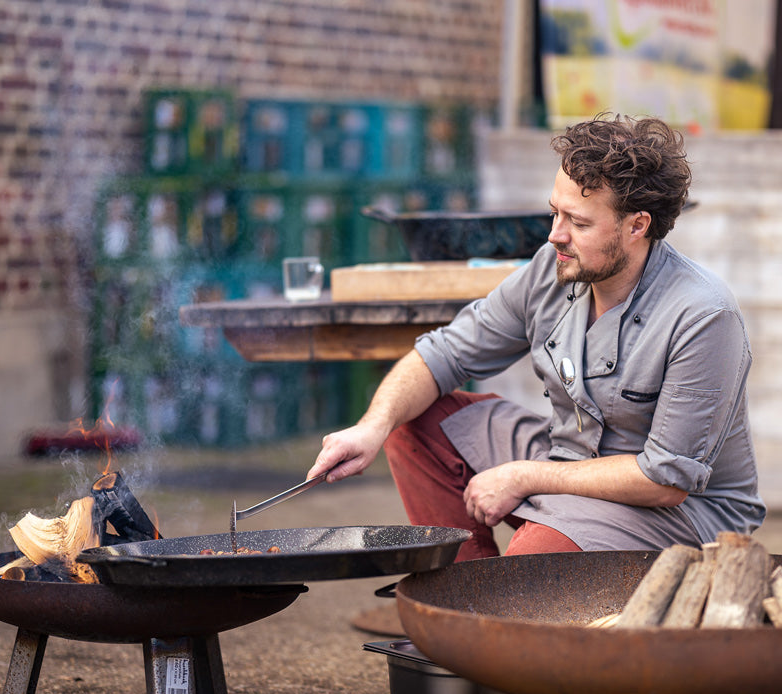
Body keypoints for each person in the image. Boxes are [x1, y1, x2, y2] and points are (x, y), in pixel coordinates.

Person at [307, 113, 766, 561]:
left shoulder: (704, 315)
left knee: (534, 562)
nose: (554, 236)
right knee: (411, 419)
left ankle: (504, 604)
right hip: (566, 459)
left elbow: (664, 480)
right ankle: (467, 595)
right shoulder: (554, 268)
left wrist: (525, 477)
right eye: (555, 213)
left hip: (681, 511)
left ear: (637, 226)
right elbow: (443, 354)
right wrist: (372, 426)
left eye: (579, 223)